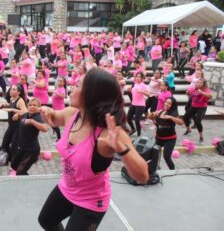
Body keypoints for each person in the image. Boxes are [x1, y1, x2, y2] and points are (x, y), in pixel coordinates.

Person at [38, 68, 148, 231]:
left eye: (78, 85)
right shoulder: (72, 114)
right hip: (68, 188)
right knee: (46, 220)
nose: (72, 88)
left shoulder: (107, 133)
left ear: (91, 95)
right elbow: (54, 117)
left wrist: (121, 149)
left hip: (91, 201)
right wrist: (46, 111)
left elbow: (143, 176)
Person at [11, 98, 48, 175]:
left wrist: (32, 121)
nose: (31, 107)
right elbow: (21, 113)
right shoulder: (26, 114)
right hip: (21, 147)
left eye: (34, 105)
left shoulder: (38, 117)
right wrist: (17, 115)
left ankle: (26, 183)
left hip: (31, 150)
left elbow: (45, 129)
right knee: (14, 165)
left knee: (20, 171)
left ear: (38, 107)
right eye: (30, 105)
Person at [148, 97, 184, 170]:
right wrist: (153, 114)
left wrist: (170, 117)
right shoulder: (160, 111)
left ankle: (172, 170)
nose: (167, 104)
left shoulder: (173, 113)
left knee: (166, 157)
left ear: (172, 105)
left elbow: (181, 122)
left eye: (169, 103)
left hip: (169, 140)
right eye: (166, 102)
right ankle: (156, 168)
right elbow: (149, 117)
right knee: (155, 154)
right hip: (158, 138)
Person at [0, 84, 27, 161]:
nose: (11, 91)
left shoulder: (20, 100)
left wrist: (15, 112)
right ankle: (10, 158)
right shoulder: (12, 98)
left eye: (14, 89)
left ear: (19, 92)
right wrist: (5, 104)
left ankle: (15, 163)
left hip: (17, 128)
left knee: (14, 146)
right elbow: (12, 105)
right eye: (11, 89)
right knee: (4, 144)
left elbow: (25, 111)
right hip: (10, 127)